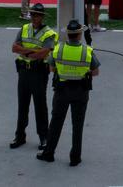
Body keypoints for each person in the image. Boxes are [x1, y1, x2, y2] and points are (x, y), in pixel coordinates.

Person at [37, 20, 99, 167]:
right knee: (78, 125)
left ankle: (49, 153)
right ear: (79, 35)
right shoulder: (87, 51)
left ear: (68, 35)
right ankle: (75, 158)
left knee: (56, 123)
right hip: (80, 91)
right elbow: (96, 72)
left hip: (62, 90)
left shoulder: (58, 49)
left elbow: (51, 68)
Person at [11, 3, 57, 151]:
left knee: (40, 105)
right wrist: (33, 52)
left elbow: (43, 53)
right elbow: (14, 48)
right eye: (32, 14)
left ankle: (44, 137)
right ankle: (20, 136)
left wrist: (25, 51)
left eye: (37, 15)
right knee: (22, 105)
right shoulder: (24, 28)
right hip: (24, 71)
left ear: (42, 17)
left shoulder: (49, 33)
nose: (34, 17)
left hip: (39, 72)